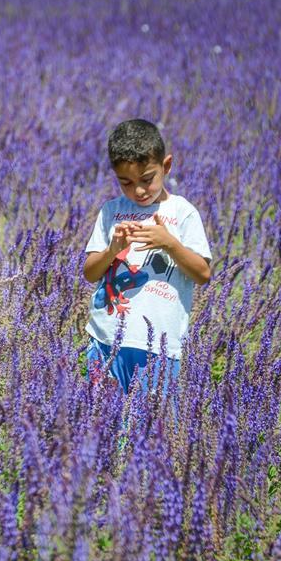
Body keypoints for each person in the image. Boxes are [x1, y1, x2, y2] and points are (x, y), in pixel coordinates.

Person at [83, 119, 212, 394]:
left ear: (166, 166)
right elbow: (90, 272)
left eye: (147, 179)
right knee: (99, 421)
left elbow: (203, 273)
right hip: (105, 339)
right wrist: (112, 251)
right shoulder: (111, 211)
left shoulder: (182, 212)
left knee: (154, 427)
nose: (138, 191)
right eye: (125, 183)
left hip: (159, 349)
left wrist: (169, 244)